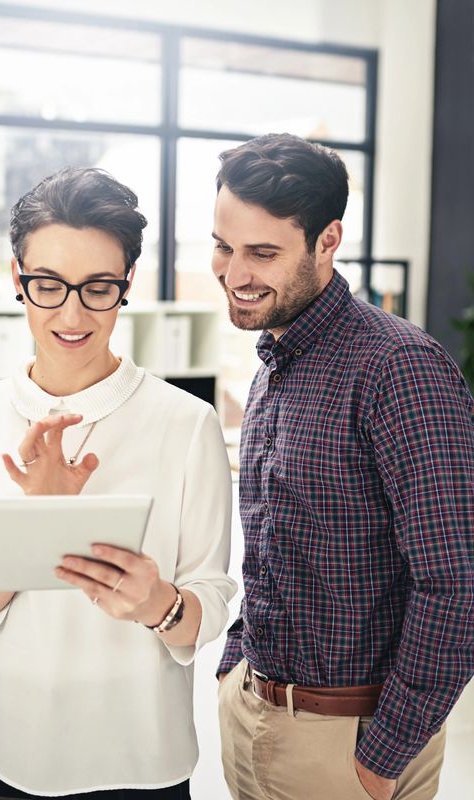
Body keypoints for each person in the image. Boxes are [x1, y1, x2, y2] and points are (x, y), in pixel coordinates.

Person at [0, 166, 236, 799]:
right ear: (18, 280)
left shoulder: (185, 423)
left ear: (125, 289)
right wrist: (38, 524)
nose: (71, 313)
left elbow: (212, 604)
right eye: (48, 285)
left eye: (97, 288)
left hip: (141, 752)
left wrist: (158, 604)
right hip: (5, 747)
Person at [211, 133, 474, 800]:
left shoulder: (400, 370)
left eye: (263, 253)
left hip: (349, 743)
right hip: (256, 712)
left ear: (328, 241)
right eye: (224, 245)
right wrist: (236, 661)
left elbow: (456, 585)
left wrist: (382, 757)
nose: (235, 273)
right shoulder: (275, 356)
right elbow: (274, 544)